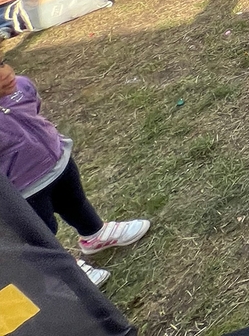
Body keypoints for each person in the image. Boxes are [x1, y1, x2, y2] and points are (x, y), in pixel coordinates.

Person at [0, 42, 150, 288]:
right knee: (43, 232)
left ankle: (94, 234)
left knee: (75, 203)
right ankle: (63, 271)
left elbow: (33, 109)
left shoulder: (21, 87)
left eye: (2, 62)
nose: (6, 73)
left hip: (59, 164)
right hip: (26, 190)